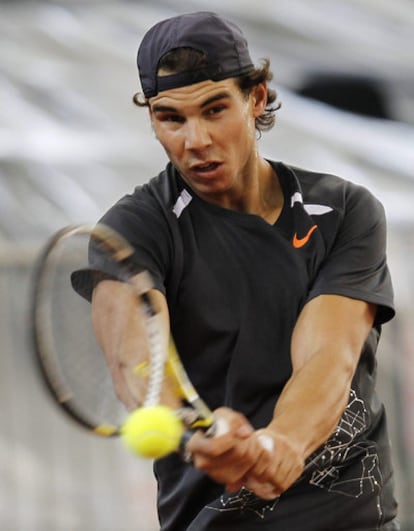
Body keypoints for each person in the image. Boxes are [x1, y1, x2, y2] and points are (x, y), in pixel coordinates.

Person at [87, 11, 400, 530]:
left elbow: (329, 355)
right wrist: (196, 431)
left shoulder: (345, 210)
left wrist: (283, 443)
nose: (196, 141)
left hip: (352, 518)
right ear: (153, 120)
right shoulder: (133, 231)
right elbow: (137, 363)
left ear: (256, 98)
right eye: (171, 118)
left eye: (215, 110)